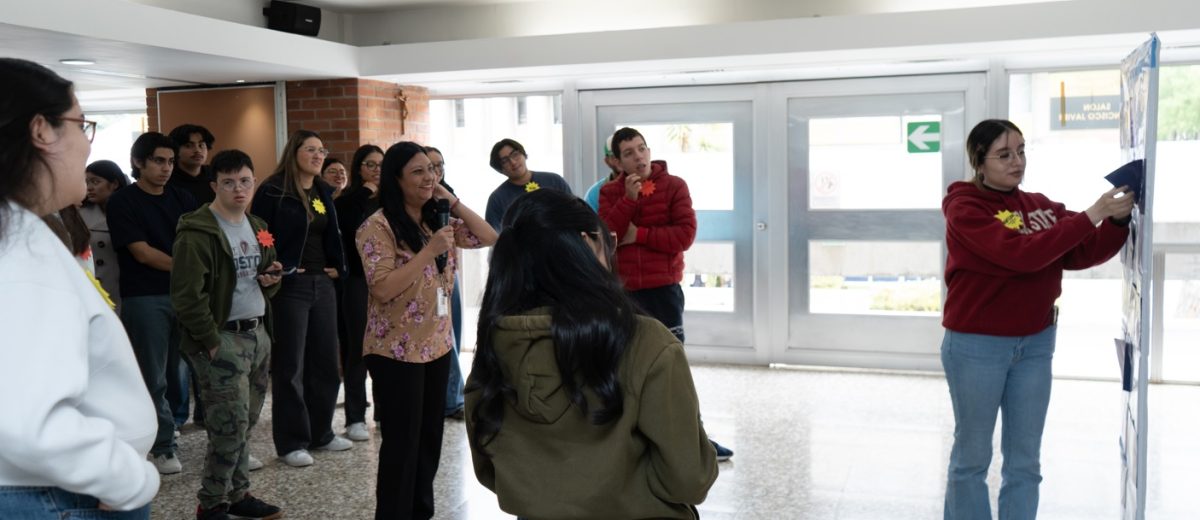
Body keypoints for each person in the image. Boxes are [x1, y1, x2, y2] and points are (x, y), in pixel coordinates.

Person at [466, 189, 718, 519]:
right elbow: (689, 480)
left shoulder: (495, 343)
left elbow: (489, 467)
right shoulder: (646, 342)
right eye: (608, 242)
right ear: (587, 243)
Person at [941, 119, 1133, 519]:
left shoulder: (1040, 207)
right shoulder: (965, 208)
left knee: (1025, 461)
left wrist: (1114, 221)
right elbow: (1021, 255)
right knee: (972, 458)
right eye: (1004, 155)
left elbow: (1083, 251)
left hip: (1035, 344)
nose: (1017, 162)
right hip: (977, 346)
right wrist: (1092, 213)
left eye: (1021, 151)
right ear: (979, 162)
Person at [0, 56, 159, 518]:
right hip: (52, 496)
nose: (88, 145)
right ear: (41, 131)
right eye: (81, 124)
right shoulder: (18, 249)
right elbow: (29, 419)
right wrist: (128, 479)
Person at [355, 141, 496, 519]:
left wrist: (453, 203)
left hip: (436, 345)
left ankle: (421, 512)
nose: (428, 177)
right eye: (418, 171)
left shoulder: (437, 218)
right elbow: (382, 288)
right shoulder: (377, 226)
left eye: (432, 170)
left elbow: (489, 236)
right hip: (395, 350)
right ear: (396, 179)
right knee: (402, 443)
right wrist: (428, 251)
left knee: (430, 439)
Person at [598, 127, 734, 462]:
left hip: (663, 291)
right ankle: (635, 439)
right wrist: (629, 200)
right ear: (617, 162)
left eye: (641, 148)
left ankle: (695, 439)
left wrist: (639, 234)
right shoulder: (609, 192)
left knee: (673, 367)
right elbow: (607, 236)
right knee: (627, 365)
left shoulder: (674, 186)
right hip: (624, 293)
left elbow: (684, 236)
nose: (638, 157)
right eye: (629, 153)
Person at [171, 150, 284, 520]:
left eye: (245, 181)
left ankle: (237, 495)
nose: (239, 189)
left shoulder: (258, 225)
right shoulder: (198, 232)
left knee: (245, 423)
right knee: (228, 427)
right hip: (223, 338)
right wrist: (211, 341)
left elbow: (268, 278)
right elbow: (186, 297)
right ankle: (211, 503)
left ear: (254, 182)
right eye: (229, 182)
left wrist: (273, 277)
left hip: (257, 333)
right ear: (214, 186)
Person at [251, 129, 352, 468]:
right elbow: (261, 232)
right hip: (291, 285)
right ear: (294, 152)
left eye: (321, 150)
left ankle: (321, 433)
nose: (318, 155)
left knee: (326, 362)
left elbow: (331, 232)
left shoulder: (322, 190)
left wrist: (338, 266)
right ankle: (292, 442)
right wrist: (276, 262)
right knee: (290, 365)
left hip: (322, 284)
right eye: (311, 149)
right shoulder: (273, 189)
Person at [107, 131, 199, 475]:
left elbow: (199, 242)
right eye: (159, 161)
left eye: (171, 161)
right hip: (145, 296)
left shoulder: (183, 198)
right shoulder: (123, 201)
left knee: (180, 371)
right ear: (138, 162)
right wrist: (188, 267)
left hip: (185, 295)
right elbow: (142, 253)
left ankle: (171, 427)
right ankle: (161, 446)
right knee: (153, 375)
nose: (166, 168)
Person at [334, 144, 385, 442]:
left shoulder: (391, 198)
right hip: (357, 280)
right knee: (358, 349)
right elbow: (346, 225)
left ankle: (384, 412)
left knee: (386, 349)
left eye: (381, 165)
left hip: (389, 279)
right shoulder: (349, 200)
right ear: (359, 168)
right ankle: (355, 417)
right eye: (370, 165)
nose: (377, 170)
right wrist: (365, 191)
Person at [425, 145, 465, 419]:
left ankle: (452, 395)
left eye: (439, 165)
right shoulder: (416, 201)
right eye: (430, 166)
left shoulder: (446, 196)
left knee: (454, 336)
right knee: (441, 337)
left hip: (450, 275)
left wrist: (453, 201)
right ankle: (450, 400)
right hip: (427, 278)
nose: (436, 171)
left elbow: (481, 234)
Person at [484, 138, 572, 231]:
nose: (513, 162)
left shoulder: (554, 180)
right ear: (500, 169)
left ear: (524, 155)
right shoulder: (497, 199)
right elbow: (494, 235)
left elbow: (574, 213)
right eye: (505, 161)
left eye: (515, 154)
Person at [81, 159, 130, 311]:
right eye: (86, 182)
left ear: (114, 184)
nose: (89, 187)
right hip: (93, 289)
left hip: (126, 291)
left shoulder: (131, 212)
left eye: (95, 182)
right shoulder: (79, 216)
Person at [168, 124, 217, 205]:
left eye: (201, 145)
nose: (197, 150)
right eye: (188, 146)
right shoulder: (167, 179)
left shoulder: (216, 175)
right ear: (175, 150)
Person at [583, 136, 620, 212]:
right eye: (614, 156)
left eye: (627, 153)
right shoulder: (595, 193)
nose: (621, 159)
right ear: (607, 161)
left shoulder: (645, 184)